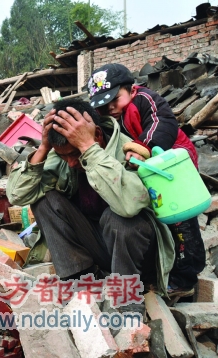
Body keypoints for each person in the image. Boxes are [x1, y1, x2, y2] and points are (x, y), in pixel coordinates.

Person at [6, 98, 175, 302]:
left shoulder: (127, 150)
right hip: (100, 246)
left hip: (138, 256)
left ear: (96, 134)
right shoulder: (63, 156)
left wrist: (88, 148)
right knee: (45, 200)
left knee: (119, 220)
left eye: (75, 153)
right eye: (64, 156)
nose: (70, 162)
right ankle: (80, 282)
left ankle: (127, 298)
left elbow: (129, 206)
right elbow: (17, 195)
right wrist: (43, 148)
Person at [87, 63, 205, 298]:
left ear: (131, 90)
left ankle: (186, 278)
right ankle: (164, 269)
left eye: (115, 100)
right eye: (103, 104)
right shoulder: (112, 118)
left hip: (172, 167)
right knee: (164, 219)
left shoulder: (145, 100)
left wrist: (143, 147)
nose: (110, 108)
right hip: (151, 173)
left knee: (182, 221)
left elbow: (162, 123)